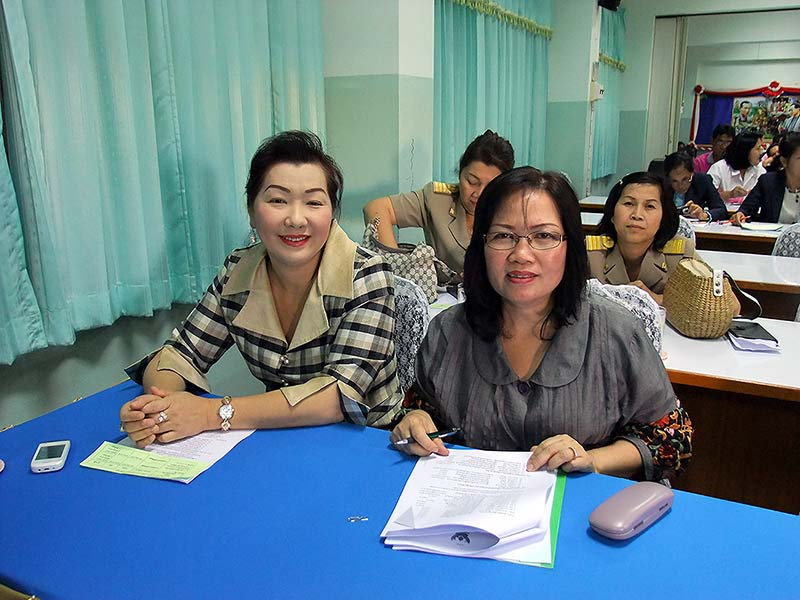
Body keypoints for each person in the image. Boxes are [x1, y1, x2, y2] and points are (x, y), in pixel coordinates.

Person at [389, 167, 693, 482]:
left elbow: (672, 439)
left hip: (582, 519)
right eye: (503, 236)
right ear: (481, 244)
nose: (521, 254)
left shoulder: (617, 331)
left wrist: (591, 459)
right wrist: (416, 420)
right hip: (469, 515)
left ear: (569, 245)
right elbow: (421, 408)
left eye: (543, 236)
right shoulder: (447, 331)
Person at [120, 131, 402, 447]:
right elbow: (179, 354)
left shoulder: (367, 274)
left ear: (331, 213)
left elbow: (337, 396)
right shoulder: (237, 272)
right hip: (279, 437)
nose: (296, 219)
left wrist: (210, 413)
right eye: (278, 200)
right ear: (252, 211)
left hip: (369, 442)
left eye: (313, 202)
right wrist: (161, 408)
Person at [362, 130, 514, 281]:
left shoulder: (513, 212)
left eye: (490, 187)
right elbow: (376, 208)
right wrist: (396, 265)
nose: (479, 194)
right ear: (460, 173)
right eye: (472, 182)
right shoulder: (437, 201)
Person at [587, 172, 694, 305]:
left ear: (663, 217)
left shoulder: (681, 254)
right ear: (612, 214)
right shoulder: (590, 254)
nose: (637, 215)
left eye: (649, 206)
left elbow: (704, 304)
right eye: (628, 203)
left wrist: (656, 299)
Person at [732, 133, 800, 225]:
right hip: (771, 237)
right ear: (784, 161)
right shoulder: (768, 182)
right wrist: (740, 215)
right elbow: (745, 210)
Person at [664, 152, 727, 221]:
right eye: (674, 181)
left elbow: (721, 210)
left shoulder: (702, 181)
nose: (680, 186)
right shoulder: (660, 185)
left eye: (685, 179)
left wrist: (704, 214)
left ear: (692, 173)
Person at [707, 131, 766, 201]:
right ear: (745, 151)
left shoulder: (760, 169)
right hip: (723, 210)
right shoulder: (719, 168)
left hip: (750, 211)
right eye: (758, 148)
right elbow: (706, 196)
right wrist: (730, 194)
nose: (761, 151)